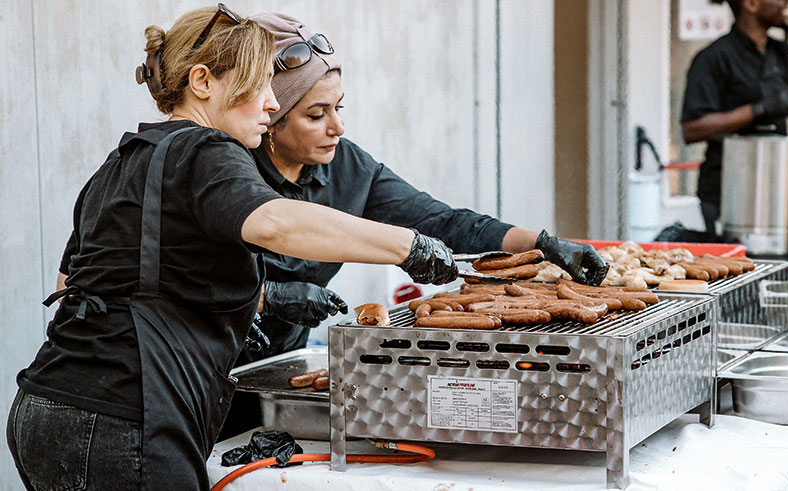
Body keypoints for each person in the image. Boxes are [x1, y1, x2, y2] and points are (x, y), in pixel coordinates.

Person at [5, 5, 460, 490]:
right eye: (261, 84)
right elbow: (276, 223)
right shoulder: (206, 148)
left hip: (44, 407)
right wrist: (409, 246)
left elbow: (70, 287)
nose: (272, 104)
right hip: (123, 418)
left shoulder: (119, 163)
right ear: (203, 82)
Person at [217, 11, 610, 440]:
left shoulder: (348, 166)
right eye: (316, 115)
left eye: (339, 107)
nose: (338, 126)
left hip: (278, 374)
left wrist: (542, 242)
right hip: (206, 367)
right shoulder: (229, 168)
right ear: (271, 115)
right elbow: (177, 268)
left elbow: (440, 220)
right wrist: (266, 299)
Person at [681, 0, 788, 239]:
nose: (786, 1)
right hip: (727, 192)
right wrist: (760, 108)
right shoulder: (713, 58)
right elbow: (692, 129)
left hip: (780, 192)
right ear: (752, 4)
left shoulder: (783, 55)